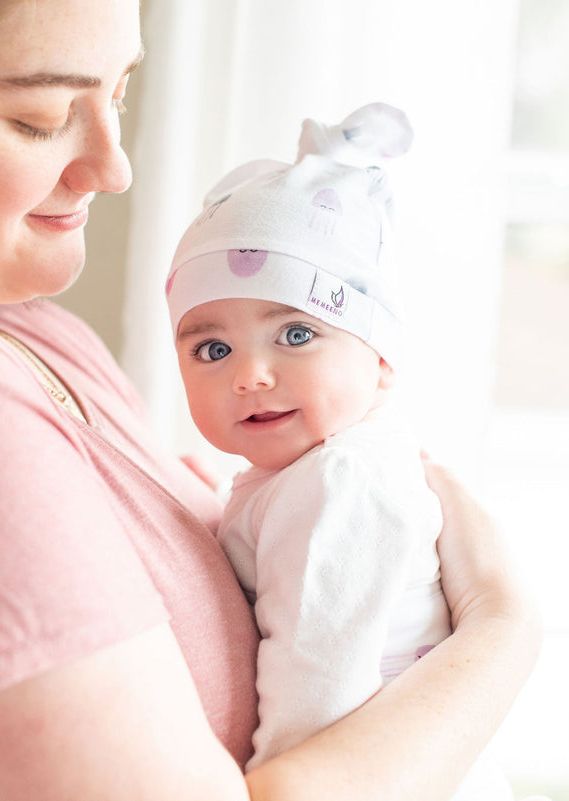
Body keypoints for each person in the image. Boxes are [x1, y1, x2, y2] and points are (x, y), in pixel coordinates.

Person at [0, 1, 541, 800]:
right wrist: (501, 631)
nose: (112, 167)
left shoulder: (32, 338)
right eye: (39, 119)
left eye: (120, 90)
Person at [165, 103, 519, 801]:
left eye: (295, 335)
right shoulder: (306, 470)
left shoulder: (340, 481)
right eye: (213, 348)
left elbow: (320, 695)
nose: (249, 374)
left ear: (381, 357)